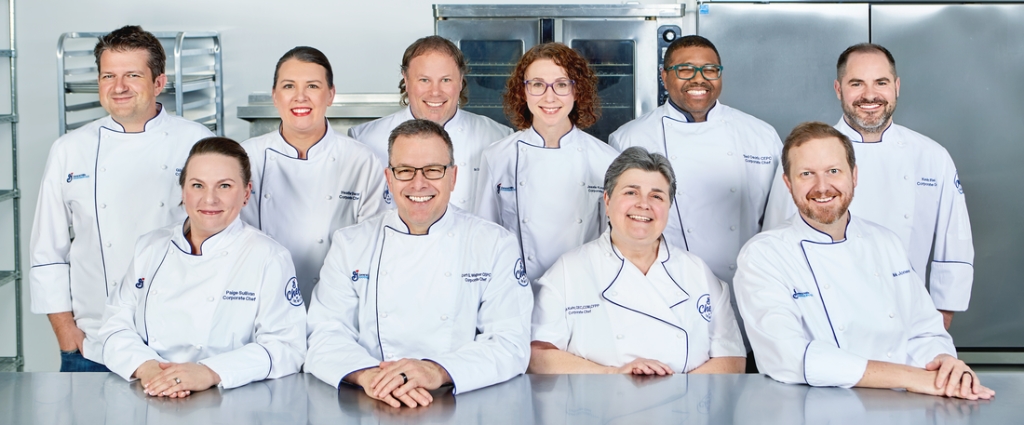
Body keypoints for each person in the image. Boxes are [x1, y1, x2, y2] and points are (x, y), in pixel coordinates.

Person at [733, 122, 993, 400]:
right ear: (788, 183)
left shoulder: (886, 242)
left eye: (834, 171)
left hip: (901, 409)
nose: (822, 187)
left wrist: (944, 365)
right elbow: (788, 356)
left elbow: (925, 331)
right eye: (807, 174)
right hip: (817, 411)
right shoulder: (763, 255)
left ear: (854, 175)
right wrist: (911, 377)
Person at [306, 119, 532, 408]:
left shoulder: (494, 244)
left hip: (460, 404)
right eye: (405, 171)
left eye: (433, 170)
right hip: (374, 400)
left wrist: (436, 370)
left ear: (453, 177)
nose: (418, 183)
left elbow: (509, 343)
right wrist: (371, 377)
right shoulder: (350, 243)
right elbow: (325, 333)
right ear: (389, 178)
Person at [29, 25, 214, 372]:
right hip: (93, 344)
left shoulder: (196, 142)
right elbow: (46, 251)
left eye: (132, 75)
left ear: (159, 83)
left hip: (178, 346)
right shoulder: (70, 149)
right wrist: (67, 334)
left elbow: (221, 239)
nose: (119, 87)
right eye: (108, 76)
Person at [762, 44, 973, 329]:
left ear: (896, 86)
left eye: (881, 83)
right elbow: (777, 238)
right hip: (823, 318)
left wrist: (943, 312)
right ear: (839, 89)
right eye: (856, 83)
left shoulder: (932, 155)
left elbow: (955, 239)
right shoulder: (804, 153)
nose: (870, 95)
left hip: (906, 315)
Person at [97, 137, 306, 397]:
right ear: (184, 191)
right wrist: (148, 368)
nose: (210, 199)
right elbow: (115, 324)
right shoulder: (150, 247)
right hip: (151, 393)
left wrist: (209, 371)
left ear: (246, 193)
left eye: (225, 186)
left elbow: (287, 346)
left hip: (230, 401)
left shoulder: (269, 256)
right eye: (198, 185)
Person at [530, 147, 746, 375]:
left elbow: (732, 359)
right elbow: (538, 355)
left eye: (656, 196)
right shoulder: (569, 270)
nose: (644, 204)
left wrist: (678, 398)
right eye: (631, 192)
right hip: (599, 406)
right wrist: (612, 376)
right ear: (607, 200)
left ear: (668, 207)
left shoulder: (698, 272)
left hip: (685, 407)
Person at [609, 35, 782, 288]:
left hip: (748, 284)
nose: (699, 78)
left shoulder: (761, 136)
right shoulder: (629, 139)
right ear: (664, 76)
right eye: (685, 70)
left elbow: (780, 218)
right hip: (664, 285)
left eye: (710, 70)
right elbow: (619, 223)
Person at [241, 46, 387, 305]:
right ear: (275, 96)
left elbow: (372, 245)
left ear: (330, 94)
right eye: (288, 86)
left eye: (312, 86)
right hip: (263, 298)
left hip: (338, 301)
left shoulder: (362, 161)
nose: (300, 97)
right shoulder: (245, 158)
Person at [474, 42, 619, 281]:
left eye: (561, 85)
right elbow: (485, 238)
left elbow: (612, 241)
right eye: (538, 85)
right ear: (523, 91)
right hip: (518, 290)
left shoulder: (606, 160)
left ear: (577, 90)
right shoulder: (497, 156)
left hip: (583, 287)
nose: (549, 97)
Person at [348, 35, 512, 210]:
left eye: (446, 80)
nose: (435, 92)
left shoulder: (499, 138)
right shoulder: (364, 139)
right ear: (406, 79)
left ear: (461, 80)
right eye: (424, 80)